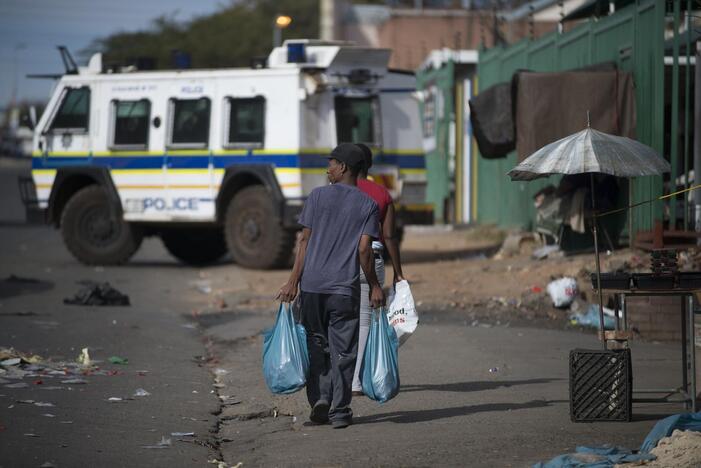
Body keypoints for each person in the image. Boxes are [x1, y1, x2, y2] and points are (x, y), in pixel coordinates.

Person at [277, 143, 385, 429]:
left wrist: (292, 282)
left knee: (317, 346)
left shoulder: (317, 197)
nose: (328, 169)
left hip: (312, 288)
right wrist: (374, 285)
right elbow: (365, 250)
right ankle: (339, 411)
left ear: (344, 167)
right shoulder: (367, 205)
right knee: (344, 351)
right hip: (343, 290)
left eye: (332, 163)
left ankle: (320, 401)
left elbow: (304, 242)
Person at [351, 143, 406, 396]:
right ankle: (355, 381)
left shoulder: (336, 190)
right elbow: (390, 236)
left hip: (337, 262)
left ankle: (336, 378)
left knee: (338, 320)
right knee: (365, 321)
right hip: (372, 260)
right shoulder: (381, 193)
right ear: (368, 165)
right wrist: (398, 272)